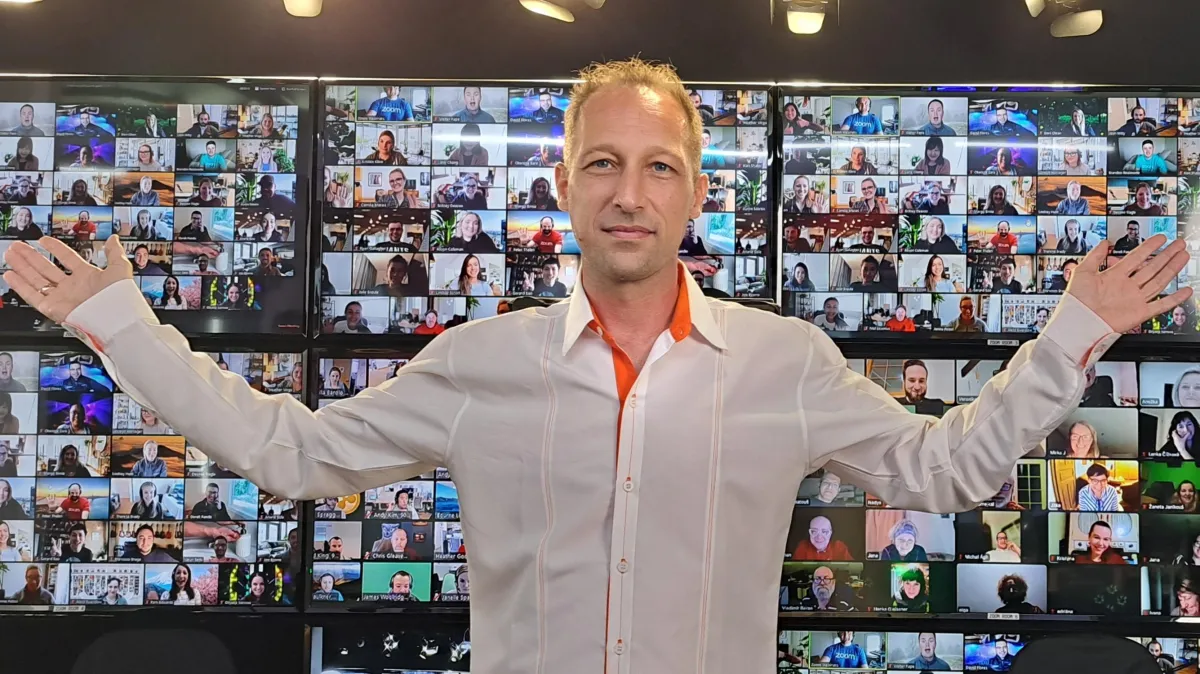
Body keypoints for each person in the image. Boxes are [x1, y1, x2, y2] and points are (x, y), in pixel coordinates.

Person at [2, 58, 1188, 674]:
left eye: (659, 166)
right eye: (604, 164)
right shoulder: (479, 363)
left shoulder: (783, 361)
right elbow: (290, 451)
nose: (631, 192)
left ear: (697, 193)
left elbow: (947, 470)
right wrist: (121, 325)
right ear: (562, 184)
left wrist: (1070, 333)